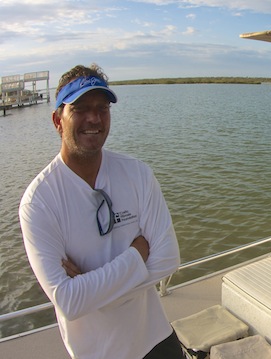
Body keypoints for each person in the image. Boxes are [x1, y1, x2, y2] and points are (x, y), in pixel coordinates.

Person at [19, 64, 183, 359]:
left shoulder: (138, 175)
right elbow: (68, 302)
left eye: (102, 108)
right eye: (80, 108)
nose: (94, 118)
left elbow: (169, 258)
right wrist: (137, 254)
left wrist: (90, 289)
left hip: (156, 340)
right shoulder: (39, 201)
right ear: (58, 120)